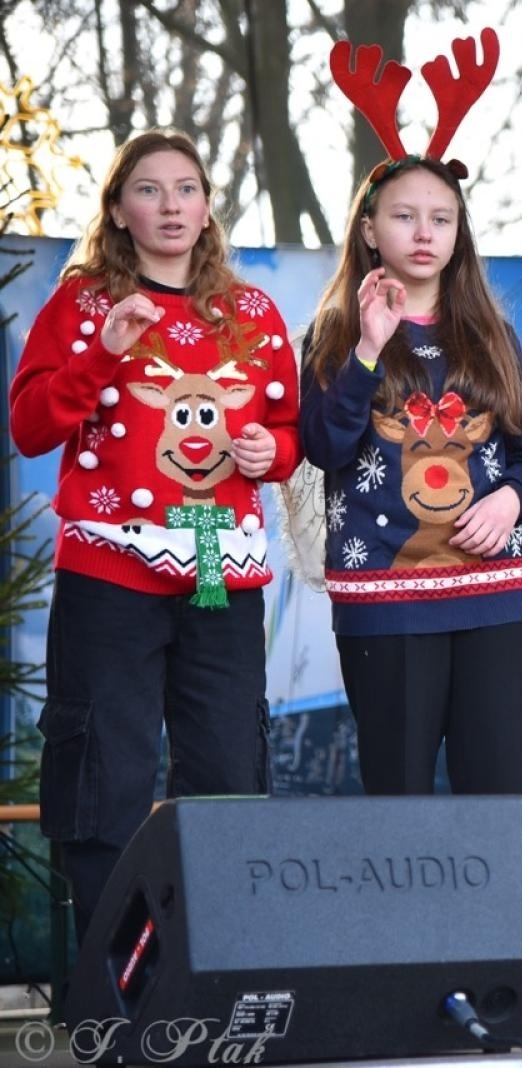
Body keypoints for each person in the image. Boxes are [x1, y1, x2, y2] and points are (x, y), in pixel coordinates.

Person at [302, 29, 522, 1025]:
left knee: (502, 790)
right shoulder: (334, 334)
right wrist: (370, 348)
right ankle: (414, 978)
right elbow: (322, 448)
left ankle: (510, 976)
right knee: (401, 797)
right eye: (403, 216)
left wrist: (512, 500)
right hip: (384, 603)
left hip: (491, 599)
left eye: (440, 217)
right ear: (370, 230)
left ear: (459, 231)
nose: (423, 232)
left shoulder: (487, 335)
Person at [9, 129, 299, 939]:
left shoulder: (250, 314)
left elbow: (287, 430)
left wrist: (268, 450)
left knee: (226, 765)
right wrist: (101, 354)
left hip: (215, 554)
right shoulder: (81, 305)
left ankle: (221, 960)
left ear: (207, 209)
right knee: (107, 766)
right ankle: (117, 976)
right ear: (117, 209)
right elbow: (30, 427)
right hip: (110, 561)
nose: (170, 205)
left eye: (186, 189)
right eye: (149, 189)